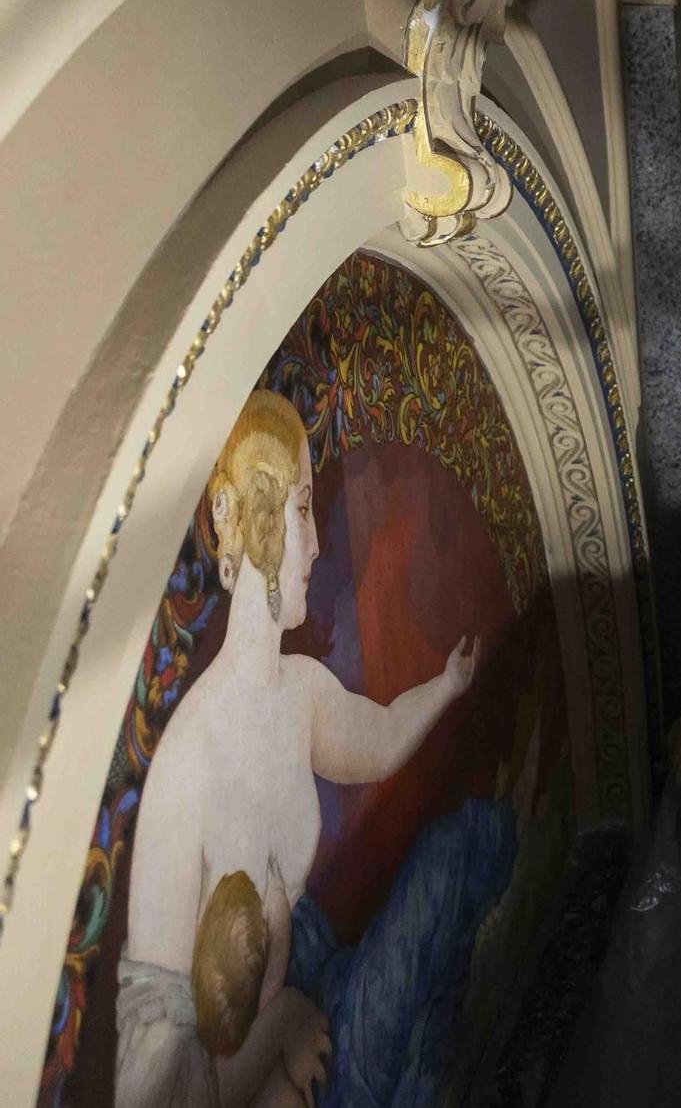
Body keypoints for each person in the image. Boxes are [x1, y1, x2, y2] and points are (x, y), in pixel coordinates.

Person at [119, 390, 481, 1106]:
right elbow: (153, 1071)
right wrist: (269, 1036)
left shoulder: (301, 691)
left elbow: (374, 743)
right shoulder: (186, 766)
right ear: (255, 517)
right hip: (256, 1076)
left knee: (465, 846)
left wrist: (447, 686)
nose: (316, 543)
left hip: (306, 1005)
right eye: (304, 506)